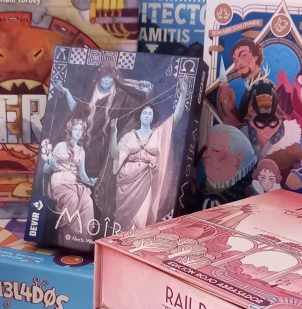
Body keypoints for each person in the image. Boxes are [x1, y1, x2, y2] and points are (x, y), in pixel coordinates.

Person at [51, 62, 152, 224]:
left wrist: (147, 93)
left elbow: (138, 108)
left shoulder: (120, 96)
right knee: (79, 185)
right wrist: (67, 93)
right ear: (98, 77)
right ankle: (76, 218)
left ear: (114, 79)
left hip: (104, 151)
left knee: (99, 186)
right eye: (104, 76)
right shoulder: (91, 94)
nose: (106, 80)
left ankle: (94, 220)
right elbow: (78, 111)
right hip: (86, 147)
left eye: (110, 77)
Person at [109, 80, 189, 231]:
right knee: (123, 219)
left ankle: (134, 242)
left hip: (146, 178)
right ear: (139, 116)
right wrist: (113, 132)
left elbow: (176, 118)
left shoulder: (158, 133)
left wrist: (183, 94)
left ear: (153, 117)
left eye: (150, 113)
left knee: (141, 216)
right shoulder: (129, 136)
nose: (147, 115)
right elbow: (114, 154)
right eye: (144, 113)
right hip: (126, 180)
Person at [42, 119, 96, 241]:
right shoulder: (61, 146)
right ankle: (67, 236)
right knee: (73, 199)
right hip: (58, 184)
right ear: (70, 130)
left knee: (88, 202)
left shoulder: (81, 151)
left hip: (73, 184)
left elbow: (82, 173)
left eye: (80, 130)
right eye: (75, 129)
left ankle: (81, 240)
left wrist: (90, 181)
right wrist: (51, 164)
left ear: (83, 132)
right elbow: (45, 169)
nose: (78, 132)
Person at [196, 124, 257, 209]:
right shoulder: (201, 186)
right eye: (206, 148)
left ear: (238, 158)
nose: (205, 155)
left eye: (216, 151)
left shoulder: (253, 194)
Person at [215, 39, 270, 126]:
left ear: (256, 56)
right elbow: (244, 120)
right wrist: (232, 107)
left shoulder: (264, 87)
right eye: (235, 60)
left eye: (243, 55)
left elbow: (262, 128)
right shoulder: (252, 86)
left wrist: (234, 122)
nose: (238, 64)